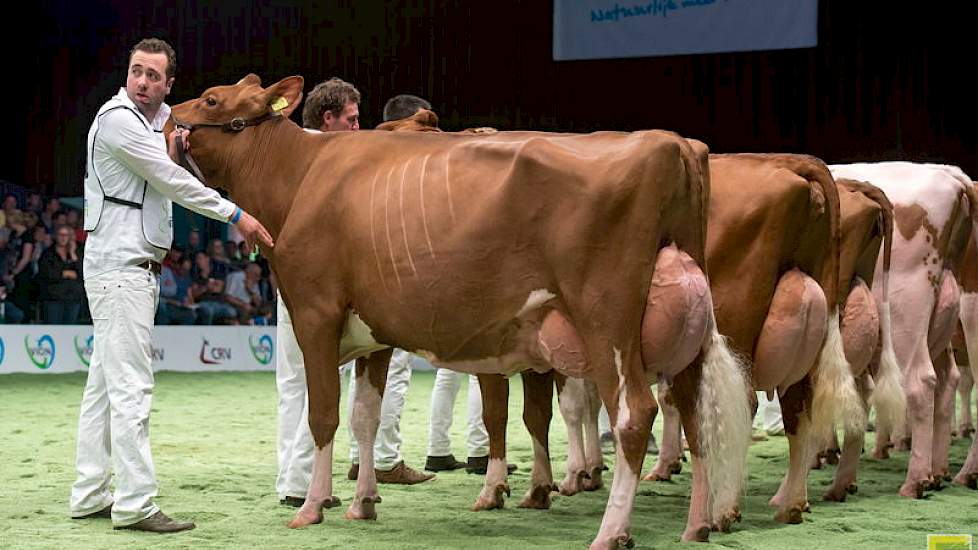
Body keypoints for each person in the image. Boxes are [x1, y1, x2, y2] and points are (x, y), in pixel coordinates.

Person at [69, 37, 273, 533]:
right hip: (122, 267)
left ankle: (90, 491)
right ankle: (136, 504)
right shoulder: (119, 120)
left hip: (128, 266)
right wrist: (235, 213)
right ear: (128, 74)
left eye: (153, 75)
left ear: (168, 84)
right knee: (132, 388)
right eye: (137, 71)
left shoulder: (149, 121)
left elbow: (167, 152)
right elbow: (168, 178)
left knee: (104, 387)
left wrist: (174, 139)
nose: (143, 81)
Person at [275, 78, 430, 509]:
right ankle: (303, 481)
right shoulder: (319, 160)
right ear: (329, 119)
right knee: (311, 382)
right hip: (314, 288)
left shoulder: (297, 158)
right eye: (353, 119)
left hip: (314, 285)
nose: (359, 127)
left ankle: (301, 477)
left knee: (299, 383)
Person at [37, 225, 85, 324]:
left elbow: (82, 273)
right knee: (53, 330)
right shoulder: (48, 253)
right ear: (56, 236)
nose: (63, 237)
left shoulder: (77, 252)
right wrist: (66, 273)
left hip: (73, 297)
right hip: (53, 298)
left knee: (70, 331)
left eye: (66, 235)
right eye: (61, 234)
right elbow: (47, 273)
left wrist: (72, 254)